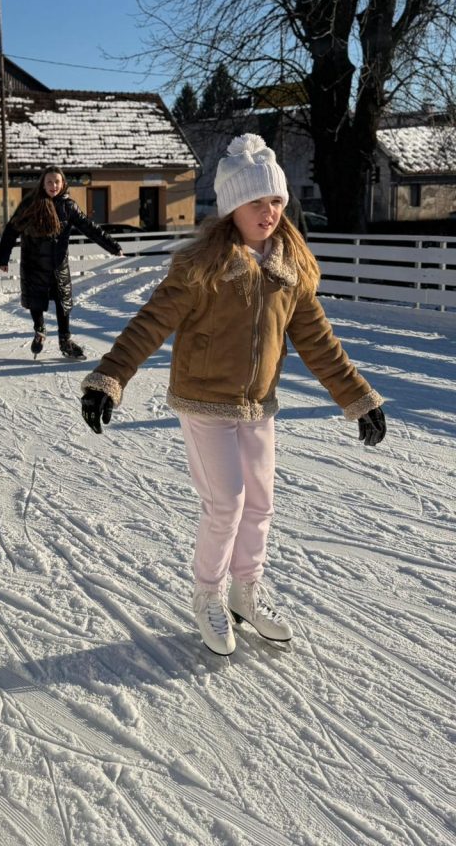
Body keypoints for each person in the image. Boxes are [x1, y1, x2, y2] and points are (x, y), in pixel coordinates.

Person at [80, 133, 386, 656]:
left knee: (260, 505)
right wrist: (110, 376)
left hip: (257, 405)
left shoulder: (289, 269)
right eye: (255, 202)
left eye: (275, 201)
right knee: (227, 503)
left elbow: (318, 341)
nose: (269, 212)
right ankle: (208, 596)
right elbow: (151, 323)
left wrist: (358, 397)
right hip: (204, 402)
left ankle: (246, 592)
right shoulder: (202, 266)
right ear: (232, 208)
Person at [0, 166, 123, 359]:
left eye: (57, 181)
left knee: (63, 304)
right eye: (49, 182)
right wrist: (3, 257)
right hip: (33, 264)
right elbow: (11, 230)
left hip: (58, 266)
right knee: (36, 301)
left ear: (63, 183)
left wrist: (112, 246)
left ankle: (65, 341)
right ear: (43, 184)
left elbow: (89, 228)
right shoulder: (30, 204)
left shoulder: (68, 206)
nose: (53, 185)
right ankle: (39, 330)